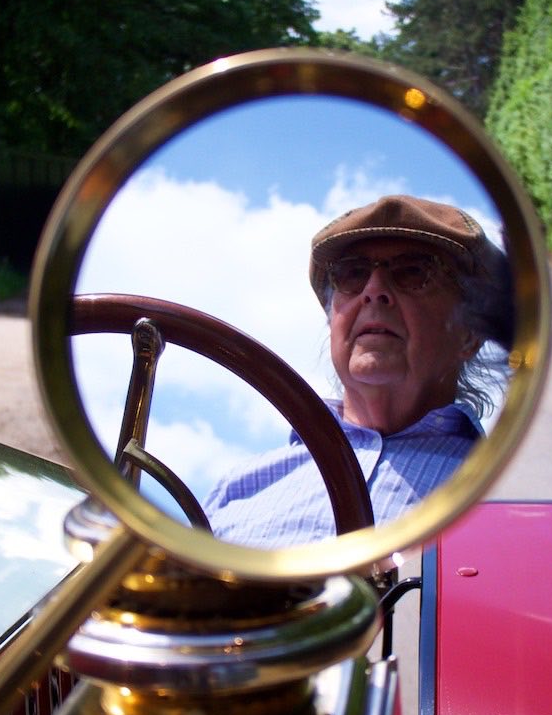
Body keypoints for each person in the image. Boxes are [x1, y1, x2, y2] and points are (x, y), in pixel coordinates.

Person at [203, 194, 512, 547]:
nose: (374, 290)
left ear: (470, 333)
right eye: (352, 274)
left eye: (413, 272)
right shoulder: (238, 486)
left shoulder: (505, 489)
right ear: (333, 320)